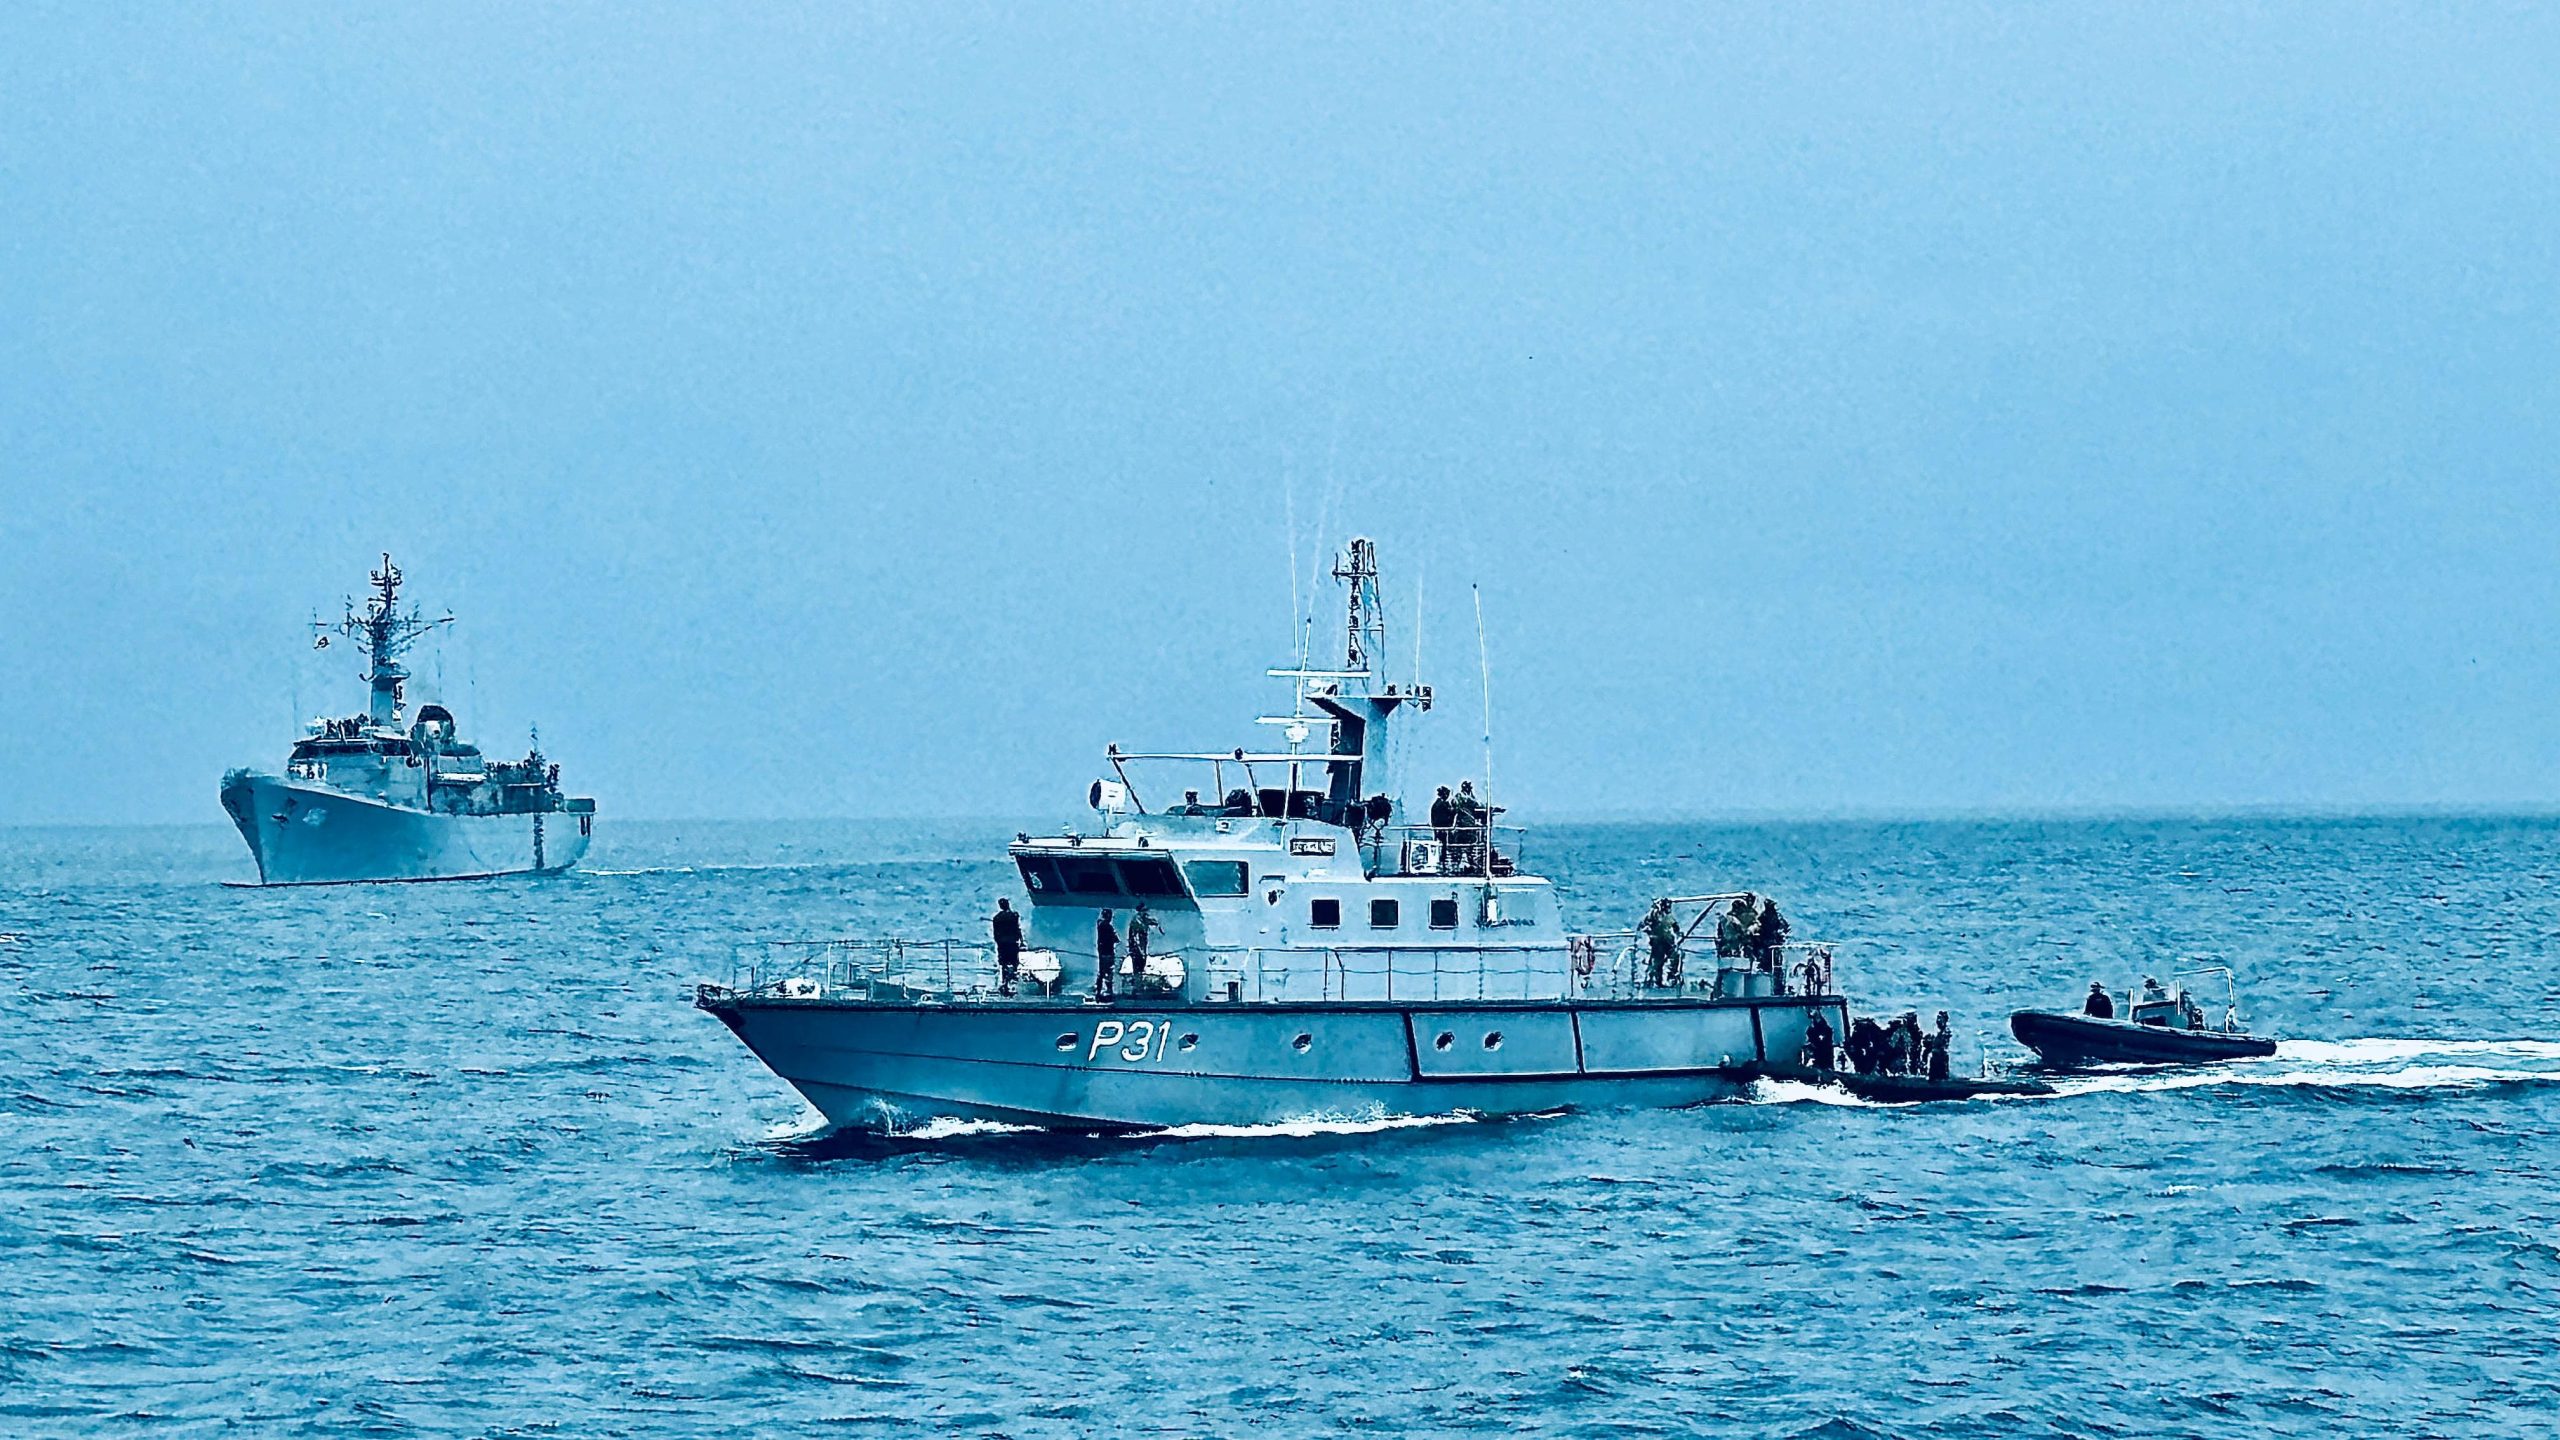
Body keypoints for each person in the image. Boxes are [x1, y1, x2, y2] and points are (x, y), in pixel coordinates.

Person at [1643, 899, 1682, 988]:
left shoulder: (1668, 917)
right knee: (1658, 962)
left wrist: (1678, 934)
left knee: (1673, 958)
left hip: (1666, 942)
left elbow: (1676, 927)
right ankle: (1657, 980)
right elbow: (1646, 924)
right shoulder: (1655, 915)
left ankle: (1670, 977)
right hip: (1659, 942)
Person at [991, 898, 1023, 996]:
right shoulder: (1014, 916)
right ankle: (1013, 983)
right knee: (1014, 963)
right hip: (1012, 942)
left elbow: (996, 933)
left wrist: (998, 942)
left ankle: (1005, 984)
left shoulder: (997, 918)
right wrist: (1021, 940)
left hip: (1002, 944)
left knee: (1004, 964)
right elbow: (1017, 929)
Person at [1126, 901, 1160, 986]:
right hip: (1136, 949)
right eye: (1144, 911)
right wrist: (1140, 951)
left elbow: (1152, 921)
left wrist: (1155, 922)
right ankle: (1137, 984)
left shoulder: (1143, 919)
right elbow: (1136, 938)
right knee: (1138, 966)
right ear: (1140, 911)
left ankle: (1138, 983)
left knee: (1141, 966)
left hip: (1141, 947)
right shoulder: (1137, 921)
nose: (1146, 913)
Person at [1753, 898, 1790, 977]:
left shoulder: (1766, 916)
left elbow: (1784, 927)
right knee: (1771, 961)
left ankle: (1773, 974)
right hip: (1769, 941)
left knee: (1772, 961)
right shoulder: (1767, 916)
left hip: (1770, 941)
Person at [1715, 896, 1755, 962]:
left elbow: (1720, 931)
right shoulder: (1733, 919)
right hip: (1733, 940)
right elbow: (1740, 929)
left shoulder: (1726, 918)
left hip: (1730, 941)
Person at [1093, 908, 1119, 1003]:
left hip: (1102, 952)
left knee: (1102, 973)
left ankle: (1099, 992)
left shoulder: (1100, 925)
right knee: (1108, 972)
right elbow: (1115, 939)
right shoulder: (1107, 926)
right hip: (1107, 952)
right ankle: (1106, 992)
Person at [1428, 785, 1455, 851]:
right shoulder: (1442, 804)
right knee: (1443, 846)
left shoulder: (1437, 804)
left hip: (1438, 828)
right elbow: (1450, 813)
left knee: (1441, 846)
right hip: (1442, 829)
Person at [1928, 1012, 1953, 1082]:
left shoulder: (1945, 1032)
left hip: (1940, 1059)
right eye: (1938, 1018)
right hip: (1937, 1058)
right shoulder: (1940, 1033)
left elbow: (1944, 1046)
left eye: (1940, 1018)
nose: (1938, 1021)